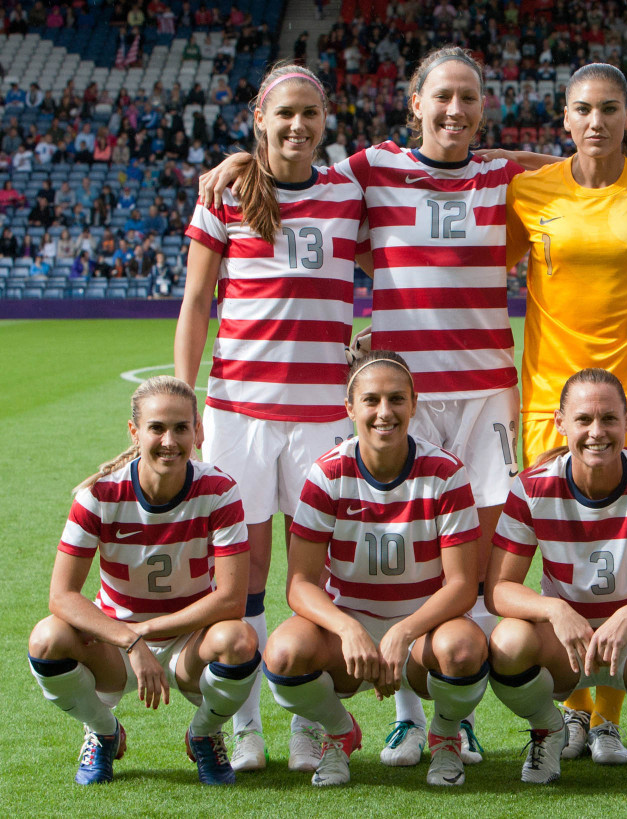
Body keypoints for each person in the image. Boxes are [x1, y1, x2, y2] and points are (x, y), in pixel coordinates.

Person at [198, 45, 522, 771]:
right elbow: (290, 168)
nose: (455, 109)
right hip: (403, 395)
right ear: (413, 103)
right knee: (395, 555)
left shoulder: (499, 174)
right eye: (441, 96)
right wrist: (236, 162)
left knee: (476, 566)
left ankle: (450, 715)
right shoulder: (368, 170)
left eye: (469, 97)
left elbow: (553, 167)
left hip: (489, 389)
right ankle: (399, 719)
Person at [175, 62, 366, 774]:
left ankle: (310, 724)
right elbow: (197, 301)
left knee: (314, 571)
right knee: (247, 572)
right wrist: (183, 393)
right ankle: (247, 723)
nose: (297, 126)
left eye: (309, 114)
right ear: (260, 117)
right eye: (283, 114)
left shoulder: (348, 189)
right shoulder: (225, 193)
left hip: (321, 415)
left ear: (325, 120)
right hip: (238, 413)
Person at [504, 62, 627, 760]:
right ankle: (570, 711)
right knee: (570, 553)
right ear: (565, 120)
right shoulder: (531, 192)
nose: (597, 121)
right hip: (553, 403)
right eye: (584, 109)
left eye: (610, 107)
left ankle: (603, 713)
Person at [264, 351, 489, 787]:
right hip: (352, 630)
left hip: (426, 630)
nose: (384, 412)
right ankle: (338, 732)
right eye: (371, 400)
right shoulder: (327, 474)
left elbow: (463, 586)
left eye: (396, 399)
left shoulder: (446, 473)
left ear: (414, 403)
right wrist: (348, 629)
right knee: (285, 653)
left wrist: (404, 632)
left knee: (463, 650)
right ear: (350, 408)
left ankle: (444, 738)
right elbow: (300, 584)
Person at [486, 368, 627, 786]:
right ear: (560, 423)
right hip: (566, 646)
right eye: (584, 420)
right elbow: (499, 590)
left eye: (609, 419)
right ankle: (548, 730)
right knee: (508, 641)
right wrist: (553, 609)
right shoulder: (530, 489)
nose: (597, 432)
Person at [26, 377, 258, 785]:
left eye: (181, 428)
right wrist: (129, 640)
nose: (170, 440)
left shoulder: (219, 491)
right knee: (46, 640)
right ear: (134, 432)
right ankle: (103, 732)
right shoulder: (98, 496)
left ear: (197, 430)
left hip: (190, 640)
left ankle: (204, 735)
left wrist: (146, 631)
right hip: (115, 647)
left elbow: (231, 601)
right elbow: (61, 596)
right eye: (157, 428)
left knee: (238, 641)